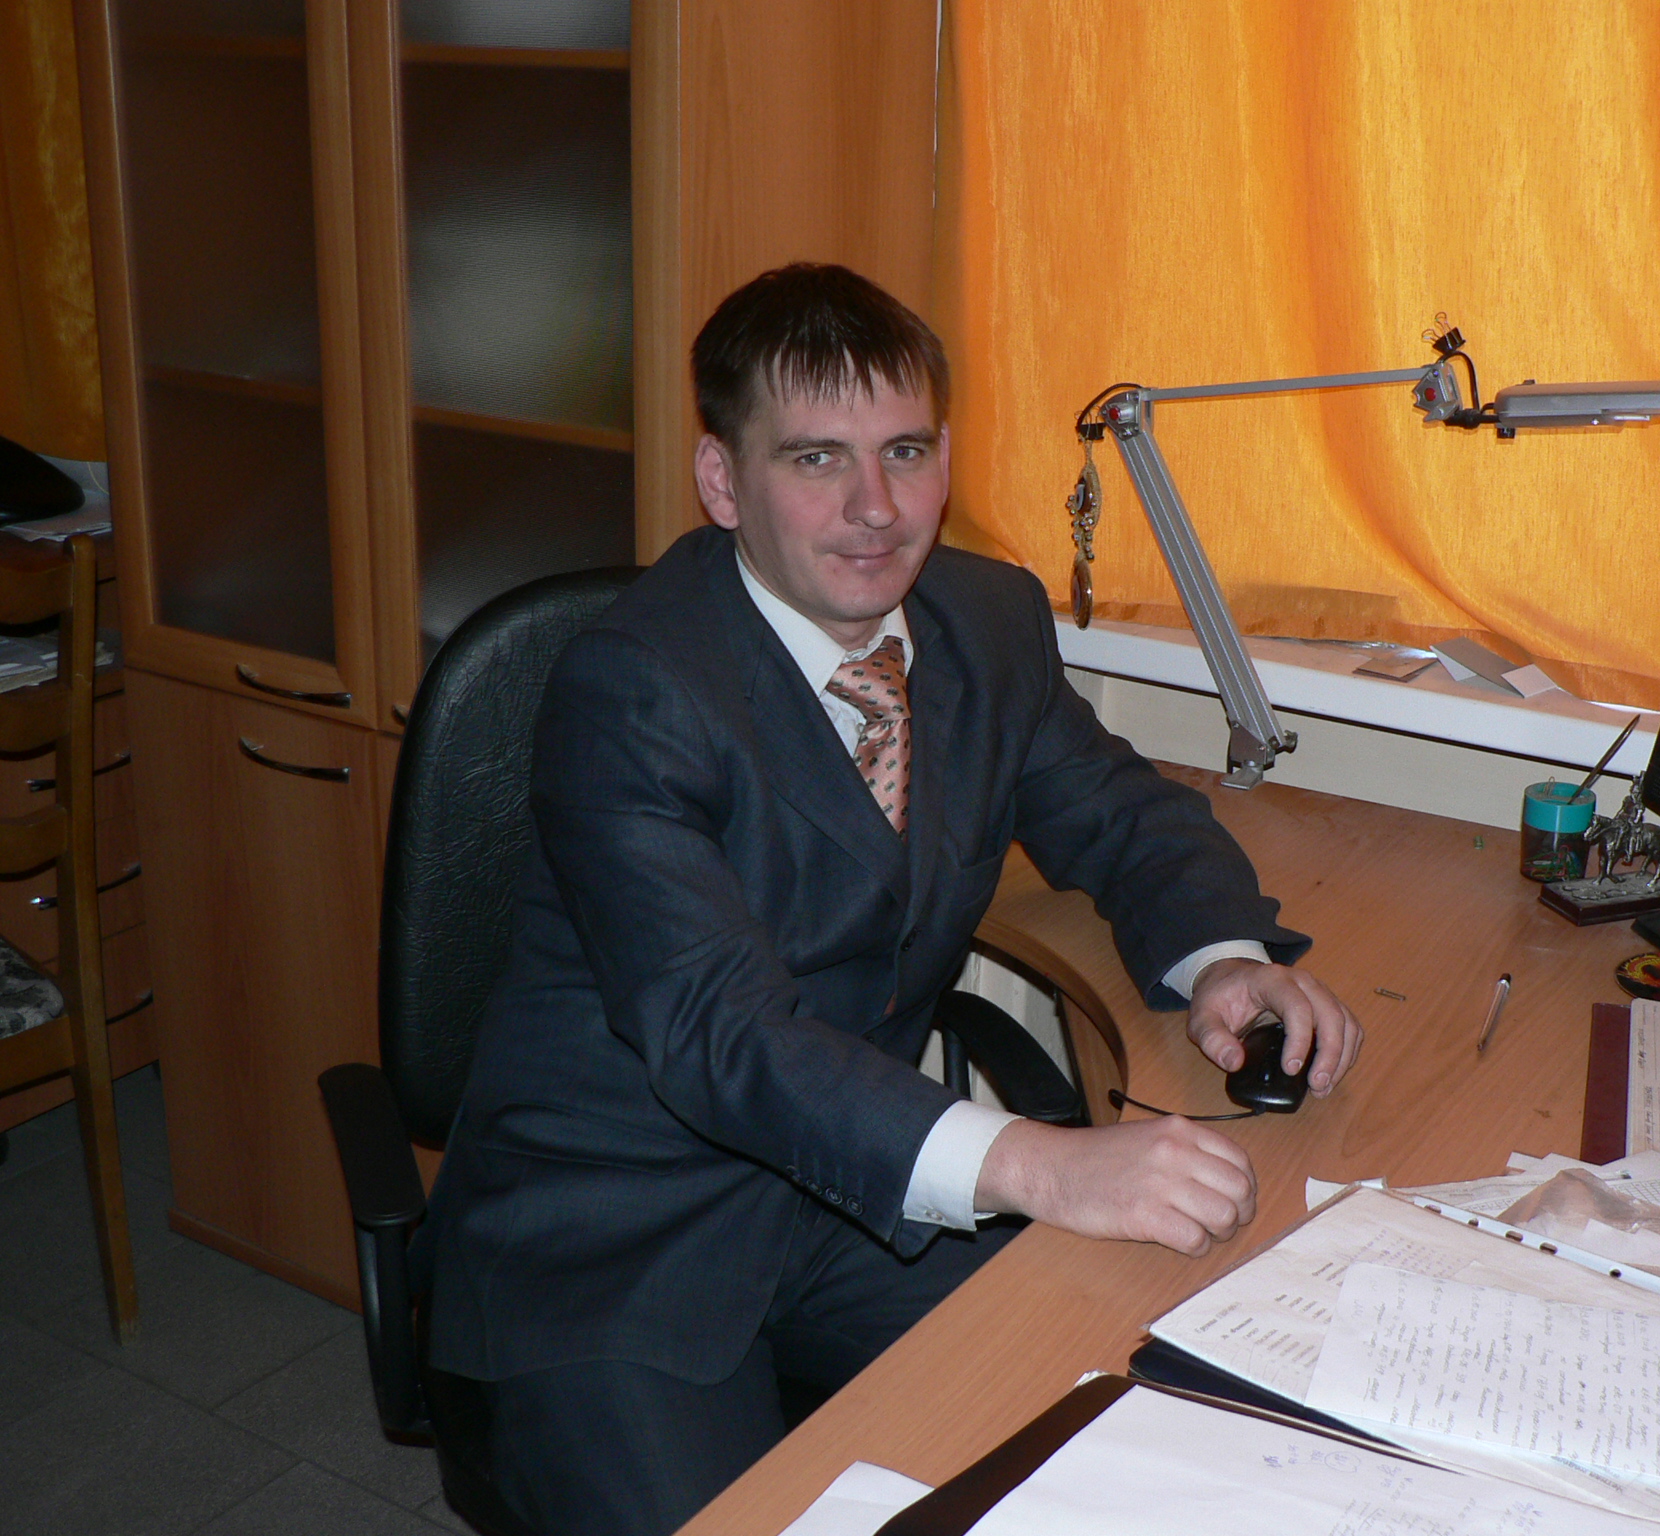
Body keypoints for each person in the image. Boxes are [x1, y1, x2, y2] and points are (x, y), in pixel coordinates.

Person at [416, 263, 1363, 1535]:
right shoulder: (632, 689)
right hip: (617, 1235)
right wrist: (1036, 1162)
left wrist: (1224, 961)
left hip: (840, 1194)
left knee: (1148, 1400)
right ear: (721, 482)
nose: (875, 508)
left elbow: (1114, 809)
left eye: (904, 451)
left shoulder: (985, 618)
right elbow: (719, 1034)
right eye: (815, 459)